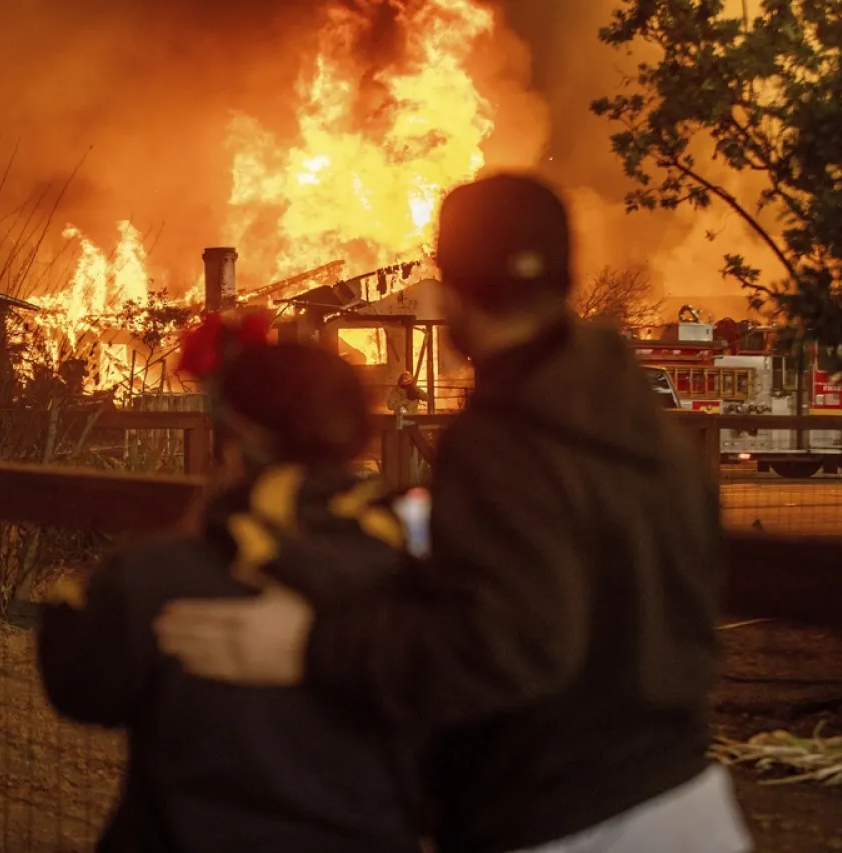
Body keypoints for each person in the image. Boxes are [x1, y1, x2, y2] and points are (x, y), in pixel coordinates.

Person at [154, 175, 752, 853]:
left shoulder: (504, 439)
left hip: (565, 820)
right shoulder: (644, 424)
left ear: (451, 282)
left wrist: (310, 647)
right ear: (565, 276)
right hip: (690, 805)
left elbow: (506, 642)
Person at [36, 313, 423, 853]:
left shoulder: (155, 578)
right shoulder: (417, 577)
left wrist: (64, 603)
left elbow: (81, 690)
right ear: (353, 437)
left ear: (235, 439)